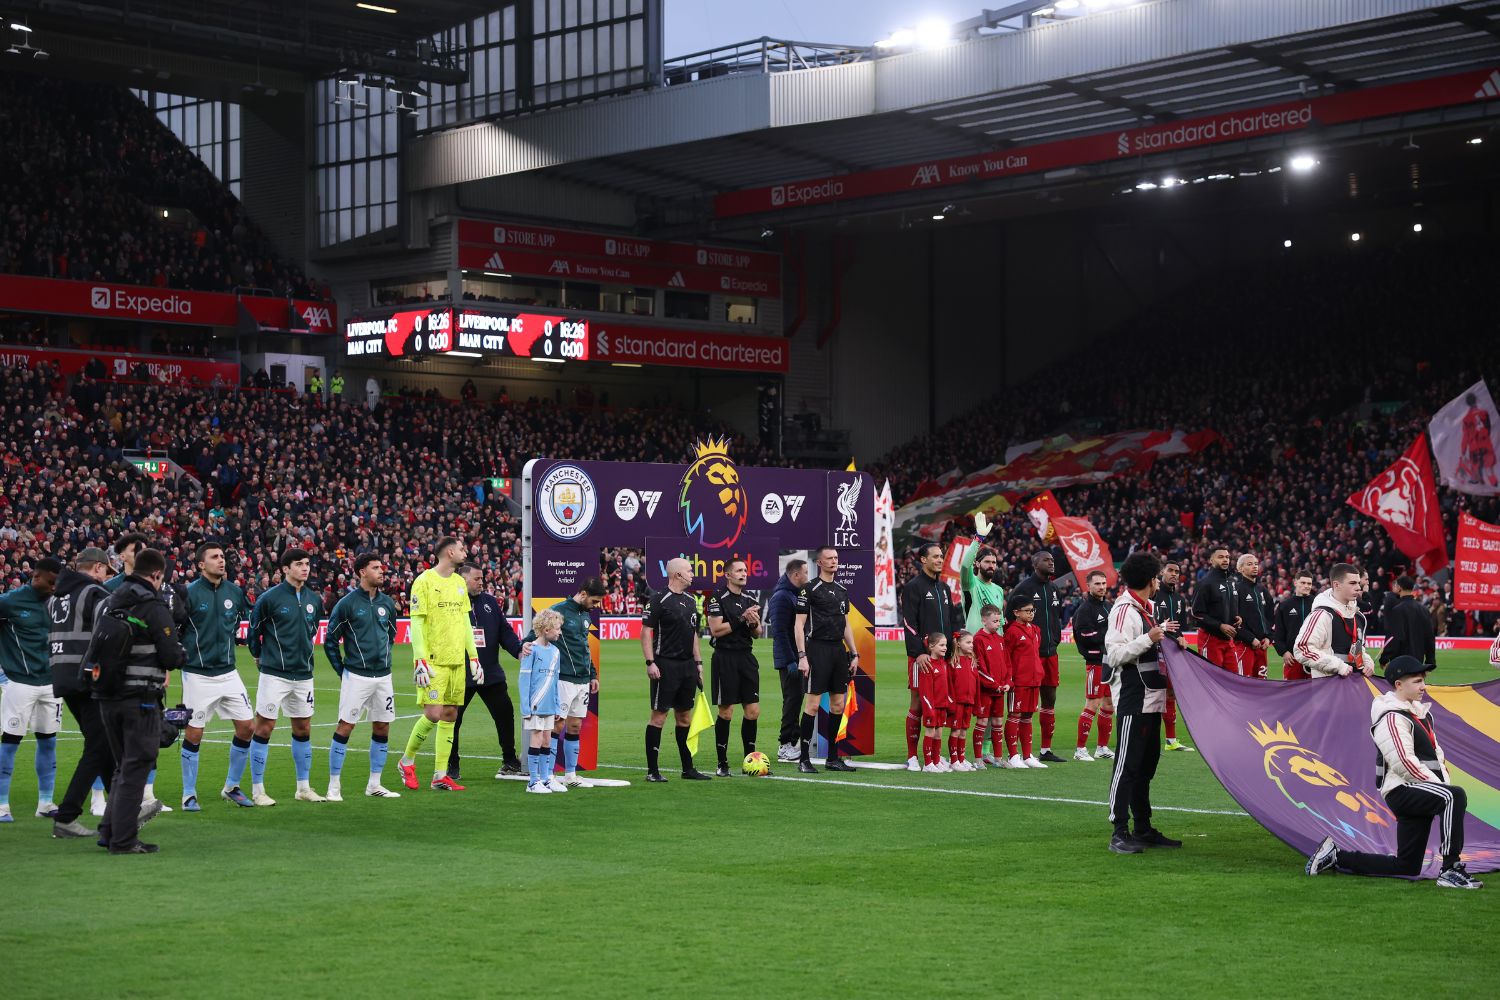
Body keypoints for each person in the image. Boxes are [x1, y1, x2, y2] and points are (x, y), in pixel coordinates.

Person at [1305, 655, 1482, 889]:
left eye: (1423, 680)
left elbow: (1436, 754)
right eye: (1417, 681)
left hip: (1418, 787)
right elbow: (1403, 762)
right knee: (1454, 796)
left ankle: (1336, 856)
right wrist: (1441, 789)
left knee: (1407, 865)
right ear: (1398, 685)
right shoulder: (1391, 716)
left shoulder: (1420, 713)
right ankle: (1450, 870)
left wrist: (1440, 784)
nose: (1423, 686)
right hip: (1403, 789)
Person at [96, 548, 184, 854]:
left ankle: (109, 831)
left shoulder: (110, 600)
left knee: (123, 766)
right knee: (137, 766)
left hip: (107, 695)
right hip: (140, 698)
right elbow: (171, 656)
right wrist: (180, 651)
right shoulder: (153, 605)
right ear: (158, 575)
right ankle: (123, 839)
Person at [1104, 551, 1181, 856]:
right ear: (1151, 580)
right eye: (1158, 575)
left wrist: (1169, 641)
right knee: (1127, 766)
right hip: (1133, 697)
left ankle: (1143, 828)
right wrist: (1150, 638)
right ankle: (1119, 831)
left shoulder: (1144, 608)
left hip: (1151, 696)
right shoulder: (1124, 610)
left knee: (1146, 766)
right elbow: (1115, 654)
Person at [398, 537, 481, 792]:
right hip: (434, 661)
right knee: (433, 714)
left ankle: (440, 775)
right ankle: (406, 761)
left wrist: (474, 657)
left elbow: (465, 623)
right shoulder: (424, 582)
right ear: (450, 552)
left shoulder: (458, 583)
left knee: (450, 714)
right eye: (463, 548)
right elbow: (417, 622)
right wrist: (419, 658)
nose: (466, 552)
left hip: (457, 659)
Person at [247, 547, 327, 805]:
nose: (305, 568)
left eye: (307, 563)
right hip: (274, 674)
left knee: (303, 727)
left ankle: (303, 787)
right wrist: (260, 657)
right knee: (265, 727)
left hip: (304, 674)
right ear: (285, 569)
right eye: (299, 564)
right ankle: (258, 790)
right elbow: (254, 632)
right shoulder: (269, 599)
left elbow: (312, 631)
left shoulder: (315, 600)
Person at [178, 541, 254, 810]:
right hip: (197, 674)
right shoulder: (187, 593)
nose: (221, 561)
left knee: (247, 727)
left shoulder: (235, 591)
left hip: (229, 672)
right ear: (201, 564)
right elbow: (174, 629)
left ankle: (232, 787)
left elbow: (244, 623)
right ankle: (189, 793)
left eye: (222, 556)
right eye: (214, 557)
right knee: (195, 732)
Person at [323, 552, 402, 801]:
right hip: (356, 676)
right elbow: (330, 641)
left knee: (382, 726)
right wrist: (342, 671)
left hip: (383, 677)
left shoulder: (387, 604)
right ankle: (334, 786)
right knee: (346, 726)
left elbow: (391, 634)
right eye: (376, 568)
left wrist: (384, 658)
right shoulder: (346, 604)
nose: (382, 571)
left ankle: (374, 784)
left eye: (382, 567)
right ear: (361, 572)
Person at [47, 549, 114, 838]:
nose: (107, 578)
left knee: (103, 744)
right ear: (98, 568)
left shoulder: (55, 597)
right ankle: (67, 815)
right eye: (107, 572)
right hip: (87, 677)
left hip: (62, 676)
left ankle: (123, 808)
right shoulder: (94, 593)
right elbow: (106, 634)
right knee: (99, 746)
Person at [521, 577, 603, 791]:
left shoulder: (585, 615)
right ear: (583, 594)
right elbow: (533, 636)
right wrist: (525, 646)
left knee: (575, 726)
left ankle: (570, 774)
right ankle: (549, 775)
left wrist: (593, 674)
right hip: (563, 678)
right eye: (594, 601)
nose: (596, 606)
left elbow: (584, 645)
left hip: (583, 680)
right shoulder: (559, 611)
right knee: (556, 725)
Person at [0, 557, 62, 823]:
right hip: (19, 683)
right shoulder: (10, 601)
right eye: (50, 582)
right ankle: (2, 805)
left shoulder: (58, 602)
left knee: (48, 741)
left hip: (51, 683)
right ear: (36, 577)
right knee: (10, 743)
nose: (53, 588)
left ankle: (46, 803)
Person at [450, 564, 524, 782]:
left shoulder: (490, 602)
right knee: (452, 720)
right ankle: (451, 764)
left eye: (482, 578)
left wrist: (518, 651)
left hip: (490, 672)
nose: (482, 582)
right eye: (477, 578)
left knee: (505, 714)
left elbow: (505, 632)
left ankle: (509, 760)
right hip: (460, 674)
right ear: (462, 580)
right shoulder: (451, 604)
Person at [640, 557, 711, 782]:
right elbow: (645, 632)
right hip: (665, 665)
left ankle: (687, 769)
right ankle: (652, 771)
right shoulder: (659, 599)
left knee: (684, 718)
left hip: (688, 666)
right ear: (677, 575)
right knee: (659, 716)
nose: (692, 574)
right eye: (689, 571)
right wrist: (650, 662)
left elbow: (693, 636)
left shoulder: (691, 600)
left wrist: (698, 664)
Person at [793, 546, 862, 774]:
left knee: (838, 704)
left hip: (837, 651)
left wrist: (853, 653)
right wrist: (802, 656)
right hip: (817, 650)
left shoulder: (842, 590)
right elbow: (799, 625)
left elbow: (845, 625)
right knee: (812, 705)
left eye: (836, 558)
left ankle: (833, 758)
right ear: (819, 562)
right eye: (829, 558)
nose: (834, 561)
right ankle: (804, 759)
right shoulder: (809, 589)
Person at [900, 542, 962, 770]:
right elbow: (908, 623)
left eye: (941, 556)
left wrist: (954, 645)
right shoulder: (913, 587)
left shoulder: (944, 589)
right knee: (917, 703)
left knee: (939, 705)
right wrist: (918, 653)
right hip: (922, 658)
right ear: (923, 560)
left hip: (942, 659)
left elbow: (952, 620)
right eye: (935, 556)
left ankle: (934, 756)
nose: (939, 560)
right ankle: (912, 756)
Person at [706, 559, 763, 778]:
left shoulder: (750, 598)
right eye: (739, 570)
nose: (743, 574)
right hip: (725, 658)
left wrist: (752, 622)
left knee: (753, 711)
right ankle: (722, 763)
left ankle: (751, 762)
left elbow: (757, 633)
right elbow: (716, 630)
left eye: (745, 570)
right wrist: (742, 619)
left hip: (746, 658)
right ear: (727, 575)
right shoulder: (717, 598)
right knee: (726, 712)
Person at [1009, 551, 1065, 762]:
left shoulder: (1054, 589)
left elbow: (1055, 618)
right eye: (1046, 560)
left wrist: (1055, 640)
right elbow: (1010, 621)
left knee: (1050, 699)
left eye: (1052, 559)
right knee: (1025, 705)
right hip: (1029, 657)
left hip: (1051, 654)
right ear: (1035, 564)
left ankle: (1045, 750)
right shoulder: (1023, 589)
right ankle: (1019, 752)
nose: (1051, 563)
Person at [1293, 563, 1375, 679]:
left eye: (1358, 582)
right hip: (1328, 687)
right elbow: (1302, 649)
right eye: (1352, 583)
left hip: (1353, 684)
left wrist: (1367, 662)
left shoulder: (1359, 616)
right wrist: (1338, 666)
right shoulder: (1322, 614)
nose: (1358, 587)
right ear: (1336, 585)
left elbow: (1357, 648)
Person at [1072, 570, 1116, 762]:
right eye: (1097, 584)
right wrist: (1107, 639)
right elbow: (1084, 636)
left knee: (1109, 704)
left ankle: (1101, 747)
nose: (1101, 587)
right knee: (1093, 703)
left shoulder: (1109, 606)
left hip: (1110, 662)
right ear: (1088, 586)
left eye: (1103, 583)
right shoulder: (1084, 610)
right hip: (1095, 663)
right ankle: (1080, 749)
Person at [768, 559, 809, 762]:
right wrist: (791, 660)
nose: (807, 577)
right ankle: (786, 745)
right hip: (790, 660)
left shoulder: (792, 595)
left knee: (796, 699)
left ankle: (792, 742)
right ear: (795, 575)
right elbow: (780, 632)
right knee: (792, 700)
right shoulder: (782, 597)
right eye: (805, 573)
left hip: (797, 657)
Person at [519, 609, 564, 793]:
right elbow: (524, 680)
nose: (560, 632)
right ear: (546, 630)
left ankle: (546, 778)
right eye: (557, 629)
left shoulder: (555, 652)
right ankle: (533, 781)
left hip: (549, 705)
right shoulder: (531, 650)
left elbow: (555, 681)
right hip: (535, 704)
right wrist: (525, 707)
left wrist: (557, 705)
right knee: (536, 738)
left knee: (546, 739)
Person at [1152, 560, 1194, 752]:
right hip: (1153, 651)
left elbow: (1179, 629)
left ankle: (1171, 740)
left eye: (1177, 571)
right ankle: (1147, 739)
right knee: (1153, 695)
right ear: (1162, 572)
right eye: (1170, 570)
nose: (1174, 574)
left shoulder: (1179, 599)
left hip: (1172, 653)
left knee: (1171, 694)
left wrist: (1182, 638)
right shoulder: (1153, 596)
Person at [1002, 594, 1044, 768]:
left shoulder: (1035, 630)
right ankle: (1013, 755)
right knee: (1015, 715)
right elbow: (1006, 657)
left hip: (1034, 680)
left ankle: (1027, 755)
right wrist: (1009, 678)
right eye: (1027, 611)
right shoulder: (1011, 632)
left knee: (1028, 716)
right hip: (1018, 681)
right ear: (1016, 612)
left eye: (1032, 610)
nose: (1031, 613)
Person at [971, 604, 1011, 768]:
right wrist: (994, 685)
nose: (998, 624)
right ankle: (978, 758)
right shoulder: (978, 639)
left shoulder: (1000, 639)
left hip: (1000, 690)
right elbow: (979, 669)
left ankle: (998, 758)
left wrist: (1008, 682)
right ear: (984, 620)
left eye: (999, 620)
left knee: (997, 723)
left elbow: (1008, 664)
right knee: (982, 722)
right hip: (986, 691)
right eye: (995, 621)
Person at [1191, 546, 1242, 674]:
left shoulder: (1231, 582)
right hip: (1210, 639)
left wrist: (1237, 617)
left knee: (1234, 678)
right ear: (1211, 560)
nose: (1225, 560)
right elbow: (1196, 613)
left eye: (1227, 557)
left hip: (1228, 640)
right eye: (1220, 557)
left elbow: (1230, 607)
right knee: (1211, 680)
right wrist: (1220, 625)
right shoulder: (1205, 583)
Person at [961, 513, 1006, 634]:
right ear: (977, 564)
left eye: (994, 562)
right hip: (975, 644)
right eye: (987, 561)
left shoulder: (999, 590)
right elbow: (965, 565)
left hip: (996, 644)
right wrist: (978, 538)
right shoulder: (970, 583)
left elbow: (999, 622)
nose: (991, 565)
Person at [1379, 575, 1436, 669]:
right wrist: (1430, 661)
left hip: (1400, 661)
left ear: (1399, 588)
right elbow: (1429, 637)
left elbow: (1394, 638)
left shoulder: (1397, 610)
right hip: (1418, 661)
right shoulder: (1424, 609)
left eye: (1396, 585)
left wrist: (1384, 659)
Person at [1232, 553, 1273, 679]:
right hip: (1244, 645)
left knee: (1261, 685)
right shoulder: (1236, 590)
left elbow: (1270, 617)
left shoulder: (1262, 590)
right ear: (1240, 569)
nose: (1254, 566)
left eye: (1256, 564)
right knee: (1243, 684)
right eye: (1249, 564)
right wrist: (1250, 638)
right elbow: (1232, 619)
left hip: (1262, 646)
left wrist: (1268, 637)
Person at [917, 632, 952, 773]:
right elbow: (925, 692)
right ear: (931, 646)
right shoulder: (927, 665)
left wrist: (948, 703)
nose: (945, 648)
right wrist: (929, 709)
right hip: (932, 707)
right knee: (930, 733)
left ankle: (936, 761)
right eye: (942, 645)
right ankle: (927, 763)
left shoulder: (943, 663)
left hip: (942, 706)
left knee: (938, 734)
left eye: (946, 645)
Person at [1273, 570, 1316, 680]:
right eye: (1303, 583)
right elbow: (1278, 634)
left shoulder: (1318, 604)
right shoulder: (1284, 606)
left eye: (1309, 583)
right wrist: (1283, 652)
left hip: (1315, 657)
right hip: (1293, 658)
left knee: (1316, 694)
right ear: (1295, 582)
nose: (1306, 586)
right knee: (1292, 693)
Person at [947, 631, 978, 771]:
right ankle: (954, 760)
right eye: (968, 642)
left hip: (969, 701)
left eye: (972, 642)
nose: (972, 645)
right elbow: (949, 685)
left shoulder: (972, 661)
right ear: (958, 643)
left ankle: (961, 758)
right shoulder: (953, 663)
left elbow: (975, 684)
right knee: (955, 731)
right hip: (957, 703)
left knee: (964, 731)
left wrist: (976, 702)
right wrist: (951, 703)